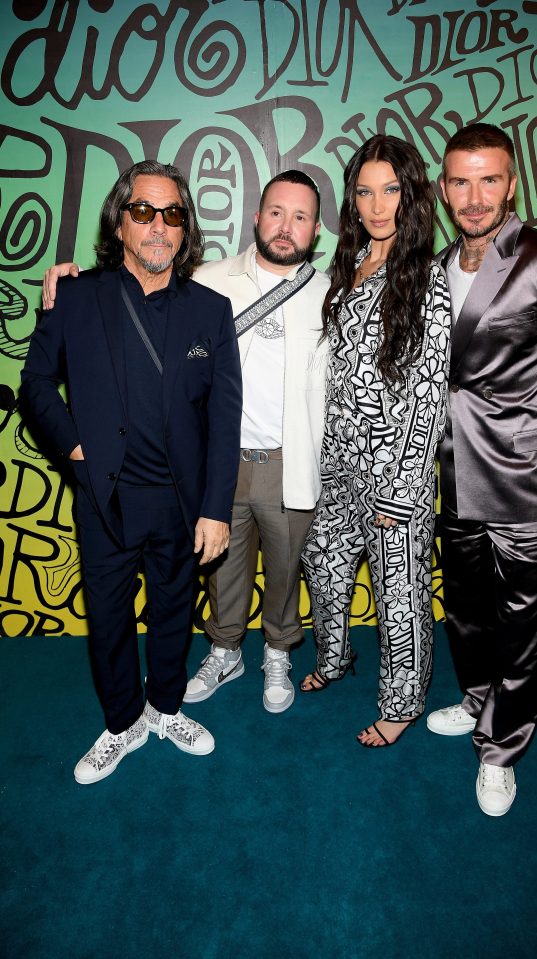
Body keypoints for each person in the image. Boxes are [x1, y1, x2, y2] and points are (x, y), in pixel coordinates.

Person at [41, 170, 330, 716]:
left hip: (270, 464)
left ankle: (269, 656)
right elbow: (121, 297)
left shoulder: (331, 290)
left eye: (300, 216)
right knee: (209, 579)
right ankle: (211, 659)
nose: (285, 226)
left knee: (275, 574)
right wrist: (64, 285)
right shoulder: (210, 277)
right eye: (275, 211)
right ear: (255, 215)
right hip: (169, 475)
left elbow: (230, 404)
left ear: (316, 229)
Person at [22, 161, 242, 784]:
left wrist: (216, 508)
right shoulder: (77, 295)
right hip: (104, 498)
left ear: (185, 229)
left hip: (182, 502)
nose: (158, 227)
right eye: (143, 212)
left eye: (172, 215)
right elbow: (36, 382)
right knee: (110, 619)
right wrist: (73, 448)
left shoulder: (211, 310)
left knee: (174, 613)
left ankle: (166, 707)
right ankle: (121, 724)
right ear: (120, 223)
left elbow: (225, 421)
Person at [426, 123, 537, 816]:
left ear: (511, 184)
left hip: (524, 477)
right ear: (442, 189)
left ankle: (501, 747)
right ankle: (476, 700)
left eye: (488, 179)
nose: (473, 197)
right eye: (460, 181)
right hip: (450, 472)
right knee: (465, 609)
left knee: (522, 621)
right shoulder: (435, 264)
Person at [300, 134, 452, 748]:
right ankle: (335, 657)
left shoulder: (426, 277)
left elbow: (431, 387)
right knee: (323, 562)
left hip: (396, 469)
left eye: (391, 190)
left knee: (399, 593)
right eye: (365, 191)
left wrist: (407, 479)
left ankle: (402, 702)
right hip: (339, 457)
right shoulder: (351, 261)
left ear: (412, 195)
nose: (377, 204)